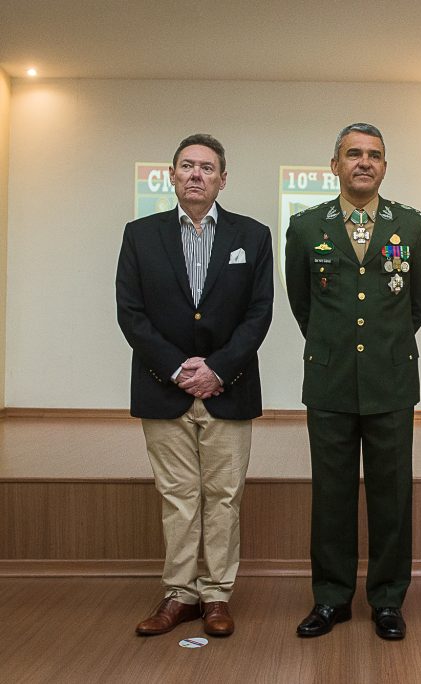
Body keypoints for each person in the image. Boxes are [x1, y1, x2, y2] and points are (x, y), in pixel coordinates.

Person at [116, 133, 274, 638]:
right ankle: (179, 594)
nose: (196, 175)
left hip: (230, 389)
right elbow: (131, 314)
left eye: (207, 168)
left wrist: (218, 369)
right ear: (171, 175)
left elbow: (258, 315)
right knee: (179, 497)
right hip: (164, 388)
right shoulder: (140, 235)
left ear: (222, 179)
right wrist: (181, 368)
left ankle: (216, 595)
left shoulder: (253, 236)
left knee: (223, 496)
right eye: (187, 166)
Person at [285, 123, 421, 641]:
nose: (364, 162)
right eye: (353, 154)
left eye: (374, 155)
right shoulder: (306, 227)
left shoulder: (412, 226)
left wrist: (382, 349)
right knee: (331, 495)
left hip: (391, 381)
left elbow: (419, 302)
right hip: (329, 382)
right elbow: (302, 304)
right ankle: (330, 598)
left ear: (385, 167)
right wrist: (336, 346)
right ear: (335, 166)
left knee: (393, 496)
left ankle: (389, 601)